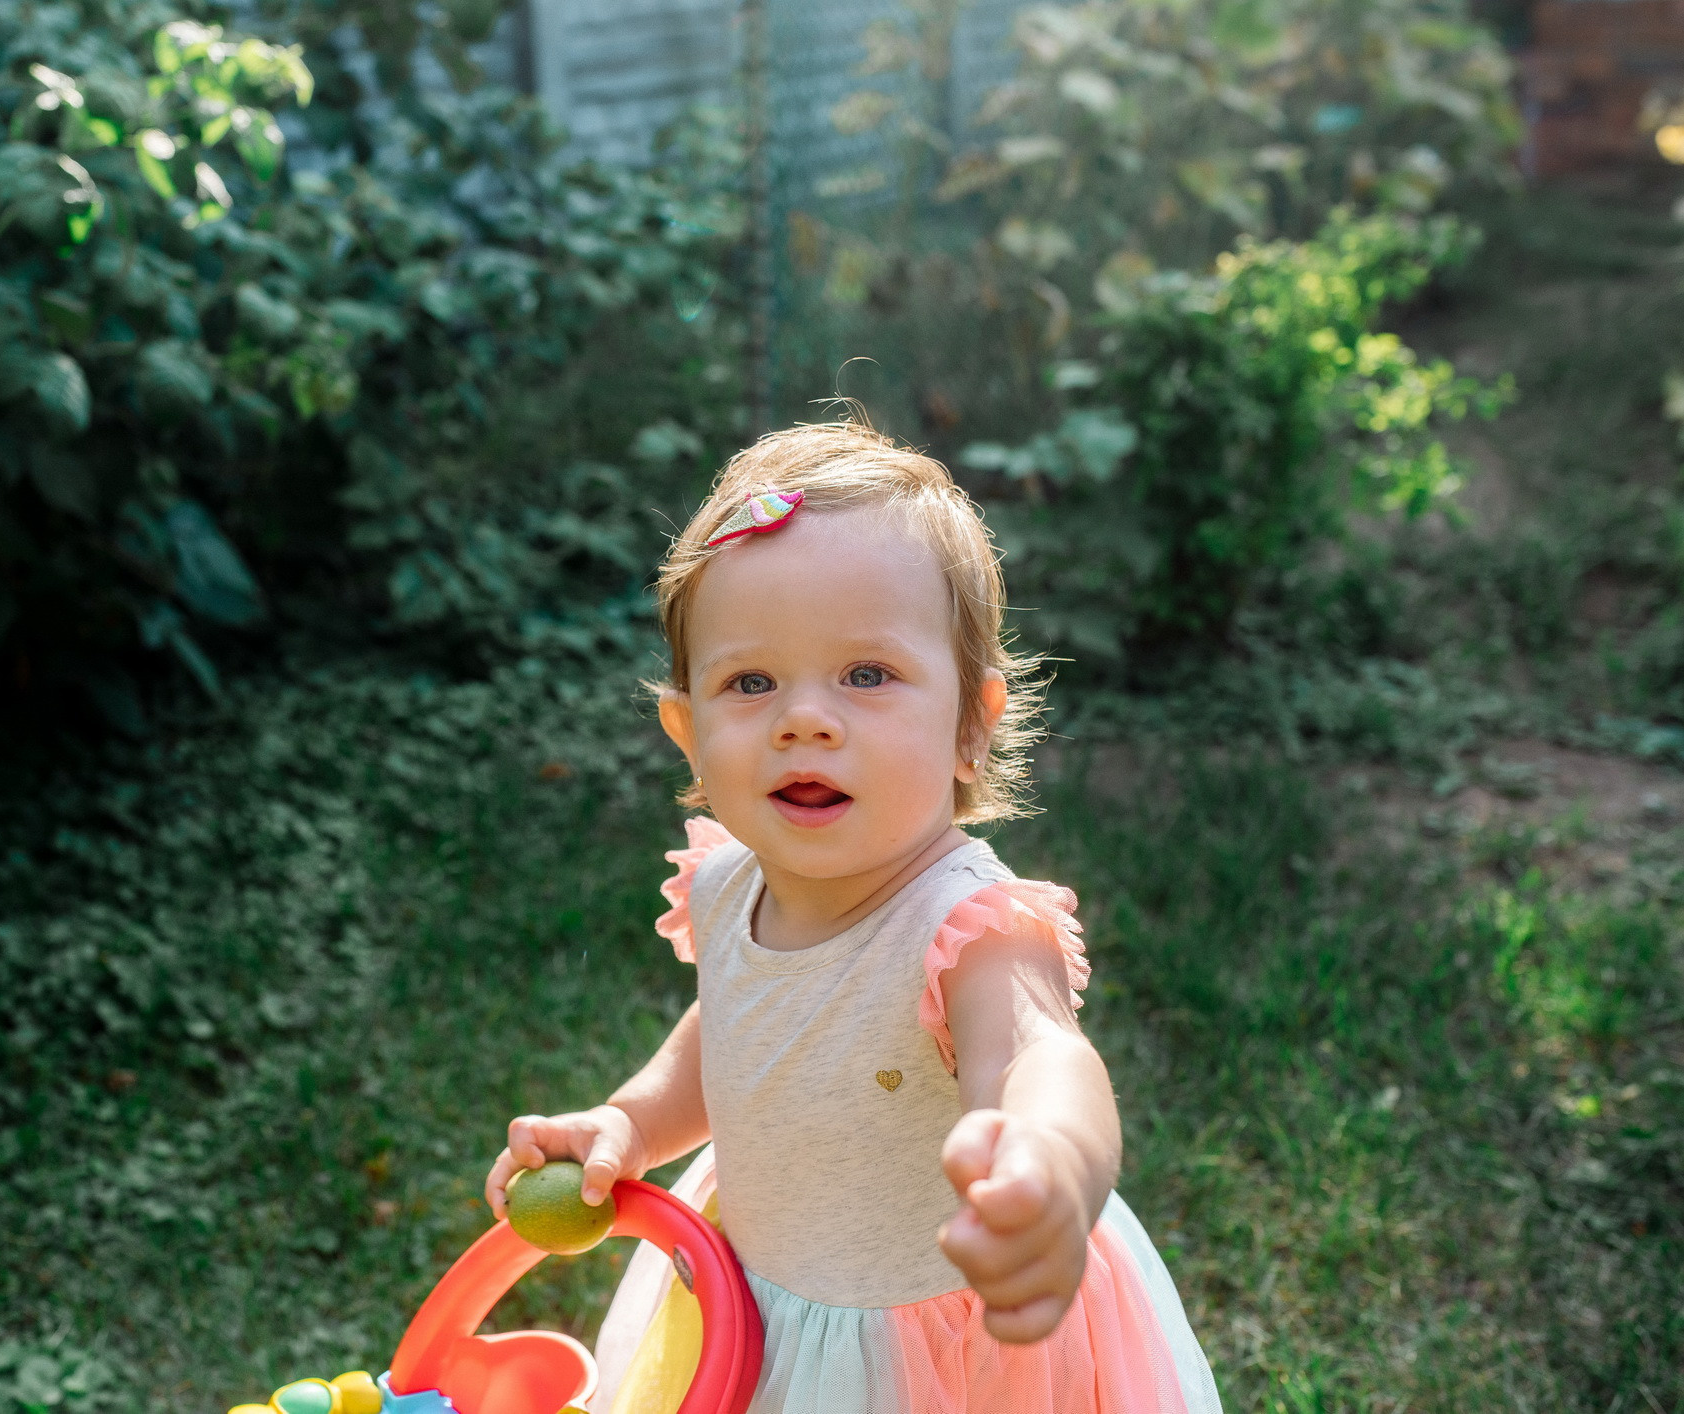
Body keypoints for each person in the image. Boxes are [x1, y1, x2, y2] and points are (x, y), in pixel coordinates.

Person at [483, 422, 1221, 1414]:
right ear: (688, 732)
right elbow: (739, 1034)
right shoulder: (727, 883)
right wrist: (630, 1120)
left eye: (866, 675)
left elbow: (1043, 1057)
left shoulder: (969, 927)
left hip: (936, 1343)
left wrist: (1048, 1161)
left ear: (970, 723)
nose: (805, 718)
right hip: (763, 1297)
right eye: (750, 682)